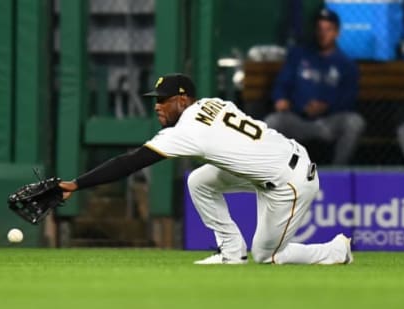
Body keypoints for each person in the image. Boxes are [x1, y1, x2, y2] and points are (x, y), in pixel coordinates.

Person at [59, 73, 353, 265]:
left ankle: (335, 251)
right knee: (200, 180)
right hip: (282, 159)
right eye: (155, 101)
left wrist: (75, 184)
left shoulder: (187, 131)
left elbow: (130, 162)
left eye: (163, 100)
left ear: (183, 100)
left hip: (289, 183)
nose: (157, 106)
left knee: (266, 255)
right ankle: (230, 252)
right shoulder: (212, 103)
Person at [265, 9, 365, 165]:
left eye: (328, 29)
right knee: (272, 121)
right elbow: (282, 83)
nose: (322, 34)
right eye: (319, 29)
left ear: (337, 32)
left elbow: (349, 99)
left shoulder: (346, 64)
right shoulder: (299, 55)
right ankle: (274, 172)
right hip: (298, 117)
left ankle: (337, 171)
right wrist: (280, 98)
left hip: (328, 121)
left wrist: (326, 106)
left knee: (354, 122)